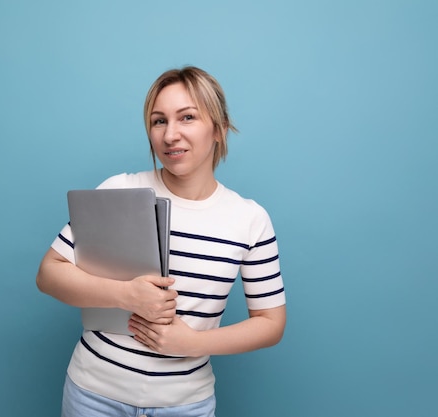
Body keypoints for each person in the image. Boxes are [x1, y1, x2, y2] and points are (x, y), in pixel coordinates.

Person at [36, 66, 286, 417]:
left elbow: (271, 324)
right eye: (158, 121)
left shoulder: (250, 220)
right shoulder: (119, 190)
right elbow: (48, 274)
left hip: (184, 405)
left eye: (187, 117)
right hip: (92, 395)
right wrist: (125, 294)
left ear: (219, 128)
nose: (170, 135)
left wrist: (192, 343)